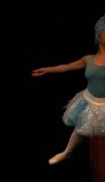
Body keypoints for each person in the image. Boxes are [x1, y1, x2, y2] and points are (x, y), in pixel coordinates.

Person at [32, 15, 105, 164]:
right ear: (98, 36)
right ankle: (67, 152)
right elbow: (67, 67)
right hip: (91, 100)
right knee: (80, 128)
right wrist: (48, 70)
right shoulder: (88, 59)